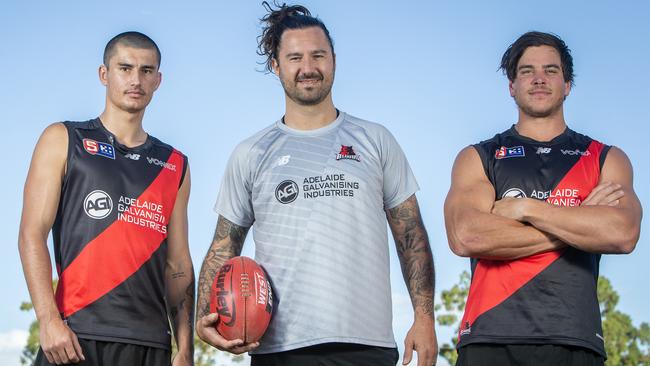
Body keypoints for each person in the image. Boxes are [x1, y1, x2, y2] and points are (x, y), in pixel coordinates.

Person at [195, 2, 437, 366]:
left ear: (334, 59)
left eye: (318, 55)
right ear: (276, 65)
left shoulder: (375, 138)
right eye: (294, 58)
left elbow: (411, 234)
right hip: (280, 347)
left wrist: (424, 317)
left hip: (366, 345)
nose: (308, 68)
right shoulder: (251, 152)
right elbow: (224, 245)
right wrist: (203, 318)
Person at [444, 31, 642, 366]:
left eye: (551, 71)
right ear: (512, 85)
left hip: (575, 339)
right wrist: (583, 222)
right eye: (527, 71)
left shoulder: (605, 158)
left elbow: (622, 233)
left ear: (567, 85)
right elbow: (467, 235)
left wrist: (526, 208)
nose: (539, 79)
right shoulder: (479, 156)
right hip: (490, 337)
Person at [18, 31, 194, 366]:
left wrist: (185, 349)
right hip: (75, 337)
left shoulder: (174, 165)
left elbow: (179, 265)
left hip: (150, 343)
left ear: (158, 80)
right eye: (125, 68)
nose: (135, 80)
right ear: (104, 74)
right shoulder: (64, 139)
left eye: (146, 71)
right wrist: (48, 320)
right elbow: (31, 234)